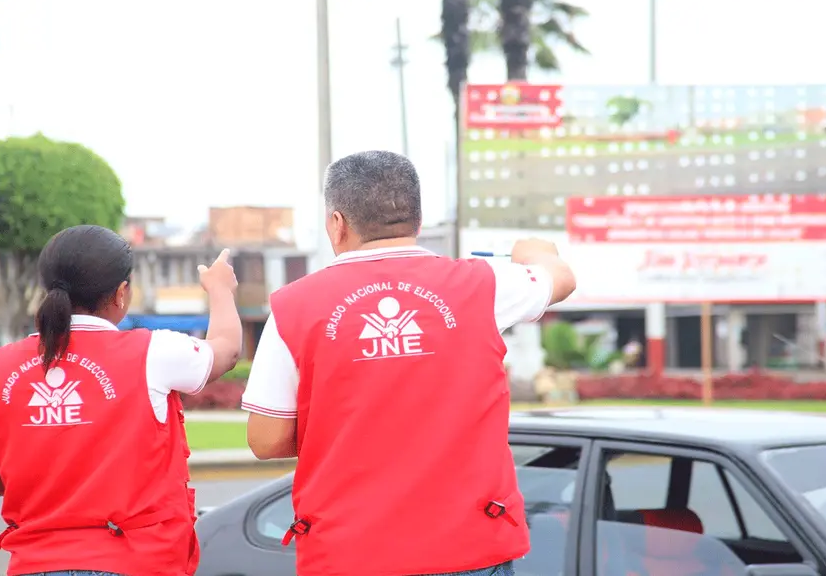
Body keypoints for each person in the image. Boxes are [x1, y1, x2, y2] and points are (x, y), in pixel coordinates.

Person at [241, 150, 577, 576]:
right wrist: (534, 251)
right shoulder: (483, 284)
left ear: (337, 224)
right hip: (469, 548)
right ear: (416, 221)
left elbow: (266, 440)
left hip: (349, 554)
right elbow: (561, 277)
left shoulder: (293, 308)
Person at [0, 225, 242, 576]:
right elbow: (227, 351)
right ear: (121, 293)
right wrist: (219, 289)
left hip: (35, 565)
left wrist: (52, 484)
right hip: (138, 563)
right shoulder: (153, 351)